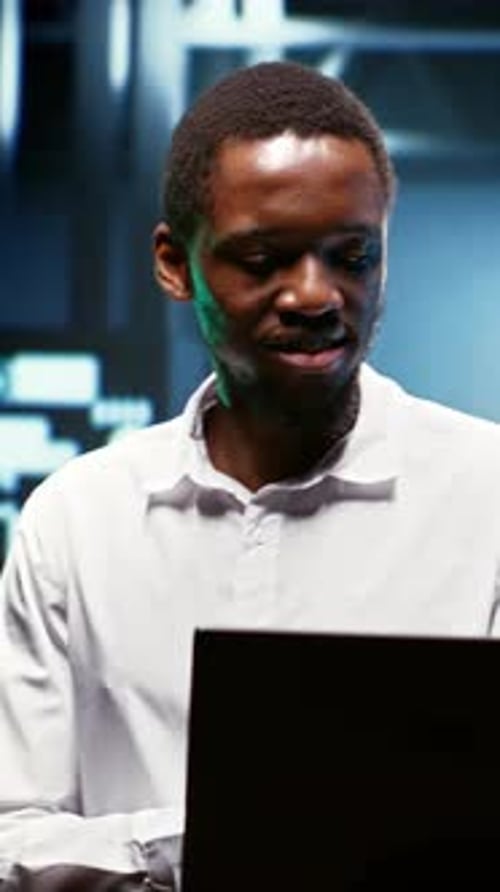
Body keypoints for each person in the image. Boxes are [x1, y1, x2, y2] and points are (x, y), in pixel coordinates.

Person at [1, 60, 500, 890]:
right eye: (264, 258)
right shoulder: (77, 521)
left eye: (352, 256)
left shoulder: (490, 498)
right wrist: (208, 840)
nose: (315, 295)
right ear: (174, 263)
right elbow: (9, 836)